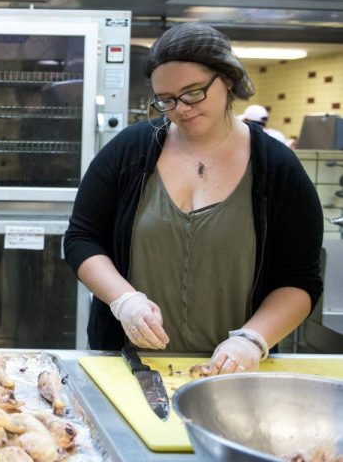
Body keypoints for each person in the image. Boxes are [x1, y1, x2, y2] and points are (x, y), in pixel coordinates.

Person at [64, 23, 323, 375]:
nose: (181, 108)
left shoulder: (276, 168)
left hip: (232, 372)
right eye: (166, 100)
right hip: (132, 366)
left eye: (193, 92)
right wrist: (124, 300)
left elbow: (300, 279)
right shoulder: (130, 151)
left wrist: (252, 339)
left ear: (227, 79)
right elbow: (82, 239)